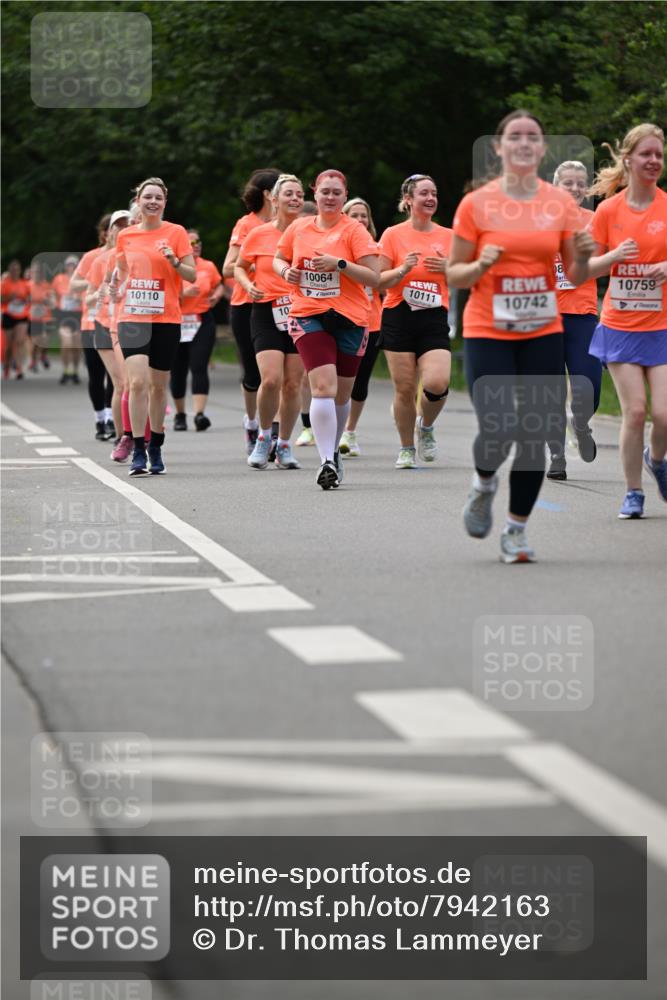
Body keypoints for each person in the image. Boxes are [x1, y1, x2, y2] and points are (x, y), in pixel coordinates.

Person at [447, 110, 594, 563]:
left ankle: (515, 530)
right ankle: (484, 483)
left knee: (532, 433)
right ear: (500, 147)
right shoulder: (477, 204)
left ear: (543, 148)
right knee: (498, 428)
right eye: (516, 136)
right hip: (488, 327)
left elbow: (573, 273)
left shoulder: (560, 204)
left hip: (542, 329)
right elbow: (454, 271)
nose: (525, 142)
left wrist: (585, 257)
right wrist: (481, 267)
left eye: (533, 136)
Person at [273, 169, 380, 488]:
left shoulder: (355, 231)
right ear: (314, 194)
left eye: (336, 192)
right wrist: (285, 272)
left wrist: (341, 265)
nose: (330, 197)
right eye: (324, 191)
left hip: (351, 317)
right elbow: (278, 258)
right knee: (323, 387)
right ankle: (326, 461)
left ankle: (334, 449)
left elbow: (374, 277)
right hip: (309, 314)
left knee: (342, 394)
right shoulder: (299, 227)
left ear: (344, 197)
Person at [585, 123, 667, 518]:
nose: (654, 161)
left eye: (659, 155)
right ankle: (633, 491)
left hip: (661, 325)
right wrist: (612, 257)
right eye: (647, 154)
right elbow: (585, 269)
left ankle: (658, 458)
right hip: (619, 326)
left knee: (664, 414)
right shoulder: (608, 211)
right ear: (629, 159)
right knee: (635, 411)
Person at [111, 176, 195, 475]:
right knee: (136, 383)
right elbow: (122, 275)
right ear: (138, 200)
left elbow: (191, 276)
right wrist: (115, 290)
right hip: (132, 317)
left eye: (158, 197)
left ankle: (156, 445)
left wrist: (173, 261)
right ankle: (137, 448)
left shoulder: (176, 233)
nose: (153, 202)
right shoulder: (126, 236)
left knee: (159, 387)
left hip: (166, 318)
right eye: (148, 197)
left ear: (164, 202)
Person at [378, 176, 453, 468]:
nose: (430, 198)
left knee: (437, 382)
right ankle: (407, 447)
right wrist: (402, 269)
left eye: (434, 193)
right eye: (424, 193)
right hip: (398, 315)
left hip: (434, 316)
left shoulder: (449, 236)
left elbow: (467, 275)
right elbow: (378, 279)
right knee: (405, 388)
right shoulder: (392, 235)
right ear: (409, 199)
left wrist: (450, 267)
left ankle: (427, 427)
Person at [235, 174, 306, 469]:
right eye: (288, 193)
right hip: (266, 311)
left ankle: (285, 444)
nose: (295, 199)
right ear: (273, 199)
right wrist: (248, 284)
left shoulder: (310, 232)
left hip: (302, 312)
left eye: (299, 194)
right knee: (272, 379)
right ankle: (264, 437)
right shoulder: (257, 233)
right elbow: (239, 266)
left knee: (293, 384)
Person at [546, 161, 602, 480]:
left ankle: (580, 424)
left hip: (582, 316)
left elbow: (607, 260)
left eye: (581, 183)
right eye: (568, 183)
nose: (576, 188)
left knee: (590, 385)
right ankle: (556, 456)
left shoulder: (594, 221)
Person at [222, 168, 282, 454]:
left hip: (283, 304)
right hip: (247, 304)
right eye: (281, 187)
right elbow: (228, 267)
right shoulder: (247, 225)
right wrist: (263, 267)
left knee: (280, 374)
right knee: (253, 373)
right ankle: (251, 422)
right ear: (269, 194)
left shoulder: (291, 224)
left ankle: (273, 432)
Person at [338, 197, 383, 458]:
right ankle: (329, 426)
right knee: (336, 378)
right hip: (342, 319)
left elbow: (383, 282)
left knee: (360, 379)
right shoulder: (336, 248)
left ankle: (350, 431)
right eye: (353, 214)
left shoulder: (376, 249)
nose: (359, 219)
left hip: (371, 321)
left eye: (363, 215)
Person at [85, 210, 133, 446]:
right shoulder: (101, 260)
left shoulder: (138, 255)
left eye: (128, 224)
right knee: (121, 382)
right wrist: (100, 293)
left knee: (134, 383)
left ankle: (139, 433)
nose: (123, 228)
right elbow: (87, 299)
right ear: (110, 232)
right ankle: (122, 435)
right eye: (118, 225)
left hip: (131, 324)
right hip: (105, 324)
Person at [171, 228, 223, 431]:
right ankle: (180, 414)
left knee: (199, 366)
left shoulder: (208, 266)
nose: (196, 245)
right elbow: (164, 292)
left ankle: (200, 414)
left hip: (202, 321)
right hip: (177, 321)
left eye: (198, 242)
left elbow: (219, 284)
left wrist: (216, 296)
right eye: (191, 243)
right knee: (178, 370)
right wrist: (183, 292)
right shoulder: (175, 266)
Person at [69, 214, 116, 439]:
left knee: (114, 373)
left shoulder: (125, 255)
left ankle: (110, 417)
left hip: (115, 322)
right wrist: (96, 282)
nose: (113, 233)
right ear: (104, 233)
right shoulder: (92, 257)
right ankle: (99, 418)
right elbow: (74, 285)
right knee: (96, 374)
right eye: (110, 229)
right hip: (91, 321)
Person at [53, 256, 83, 384]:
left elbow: (89, 297)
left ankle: (75, 372)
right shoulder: (59, 279)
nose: (71, 267)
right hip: (64, 315)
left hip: (78, 315)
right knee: (66, 344)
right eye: (69, 265)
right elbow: (53, 296)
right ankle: (66, 371)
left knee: (76, 346)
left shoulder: (82, 280)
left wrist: (78, 298)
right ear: (65, 266)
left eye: (74, 264)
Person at [1, 260, 29, 379]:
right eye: (12, 270)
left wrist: (26, 300)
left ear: (20, 271)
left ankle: (19, 368)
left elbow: (30, 298)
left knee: (20, 341)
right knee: (8, 345)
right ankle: (7, 365)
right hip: (8, 315)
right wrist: (9, 297)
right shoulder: (4, 284)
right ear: (10, 271)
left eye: (17, 270)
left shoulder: (24, 284)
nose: (15, 272)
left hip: (22, 315)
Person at [27, 259, 55, 372]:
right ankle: (33, 361)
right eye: (34, 271)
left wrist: (47, 301)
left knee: (45, 340)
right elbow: (22, 301)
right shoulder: (27, 285)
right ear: (31, 273)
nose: (36, 274)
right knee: (35, 341)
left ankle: (43, 355)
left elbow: (53, 302)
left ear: (42, 273)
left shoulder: (47, 286)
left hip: (46, 317)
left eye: (39, 272)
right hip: (32, 317)